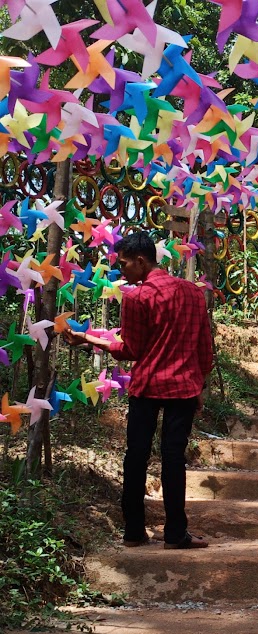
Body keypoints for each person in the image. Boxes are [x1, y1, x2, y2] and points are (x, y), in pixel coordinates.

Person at [63, 232, 213, 550]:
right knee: (174, 457)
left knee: (136, 457)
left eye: (125, 263)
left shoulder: (136, 298)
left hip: (147, 386)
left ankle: (133, 532)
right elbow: (204, 349)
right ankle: (175, 534)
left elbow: (129, 349)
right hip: (183, 386)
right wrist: (197, 384)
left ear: (141, 261)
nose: (122, 271)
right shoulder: (193, 294)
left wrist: (87, 338)